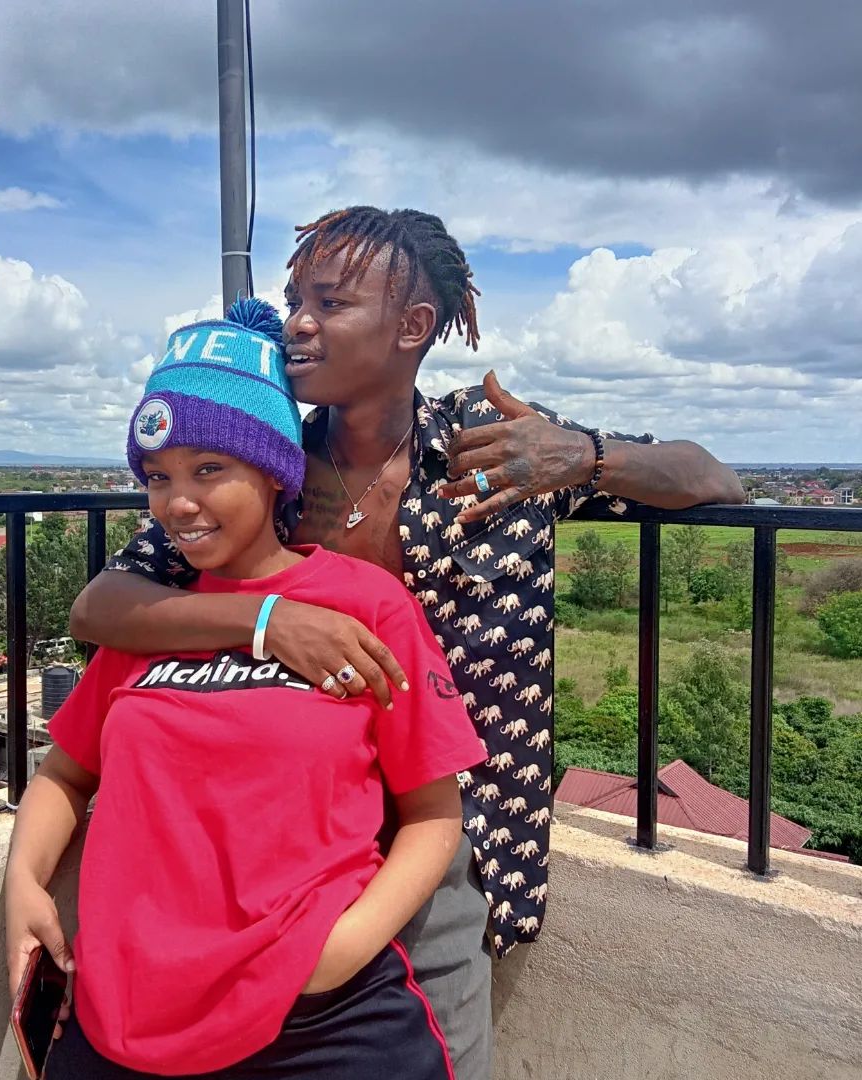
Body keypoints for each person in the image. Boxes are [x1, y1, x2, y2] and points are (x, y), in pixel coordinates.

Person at [71, 206, 746, 1080]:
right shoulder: (262, 463)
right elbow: (104, 606)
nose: (296, 324)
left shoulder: (495, 449)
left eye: (330, 303)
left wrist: (582, 455)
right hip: (280, 846)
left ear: (413, 325)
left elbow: (712, 477)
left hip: (447, 837)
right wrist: (268, 622)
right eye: (294, 300)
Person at [5, 297, 485, 1079]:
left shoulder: (366, 607)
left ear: (272, 471)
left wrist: (339, 952)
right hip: (124, 1018)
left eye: (209, 470)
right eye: (157, 477)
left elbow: (433, 812)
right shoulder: (154, 620)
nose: (178, 503)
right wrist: (23, 885)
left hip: (324, 1023)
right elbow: (64, 773)